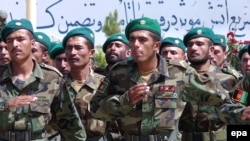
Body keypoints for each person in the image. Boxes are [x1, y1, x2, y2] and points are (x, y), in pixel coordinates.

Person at [89, 17, 250, 141]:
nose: (136, 44)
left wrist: (241, 114)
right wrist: (124, 100)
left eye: (142, 40)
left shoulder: (180, 73)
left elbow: (220, 102)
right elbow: (95, 110)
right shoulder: (118, 73)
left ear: (156, 45)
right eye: (132, 39)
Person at [0, 18, 86, 141]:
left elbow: (70, 123)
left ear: (32, 43)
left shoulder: (52, 78)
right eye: (10, 41)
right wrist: (5, 105)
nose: (15, 45)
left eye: (20, 39)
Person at [179, 27, 246, 141]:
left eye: (199, 44)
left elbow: (241, 114)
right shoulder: (177, 78)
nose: (194, 48)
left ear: (211, 50)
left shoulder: (231, 80)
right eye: (190, 45)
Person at [62, 27, 108, 141]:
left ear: (91, 53)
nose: (73, 52)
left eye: (78, 48)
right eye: (69, 48)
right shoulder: (56, 84)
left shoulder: (105, 83)